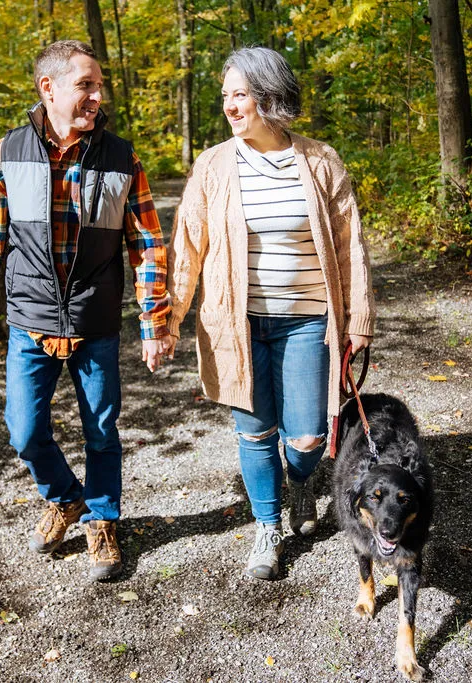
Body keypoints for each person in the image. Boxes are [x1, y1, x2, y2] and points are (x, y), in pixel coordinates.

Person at [0, 40, 172, 581]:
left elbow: (147, 243)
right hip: (30, 319)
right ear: (48, 89)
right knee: (24, 431)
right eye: (86, 85)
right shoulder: (9, 152)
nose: (98, 95)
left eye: (99, 85)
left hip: (94, 319)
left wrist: (153, 320)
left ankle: (102, 517)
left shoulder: (122, 157)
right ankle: (66, 496)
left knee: (101, 428)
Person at [166, 47, 375, 580]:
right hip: (238, 324)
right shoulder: (214, 164)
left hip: (307, 319)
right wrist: (167, 317)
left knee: (305, 437)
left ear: (270, 96)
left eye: (241, 94)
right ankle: (267, 526)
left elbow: (351, 247)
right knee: (254, 431)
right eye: (226, 97)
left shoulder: (320, 160)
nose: (230, 107)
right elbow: (187, 243)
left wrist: (359, 320)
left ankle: (300, 481)